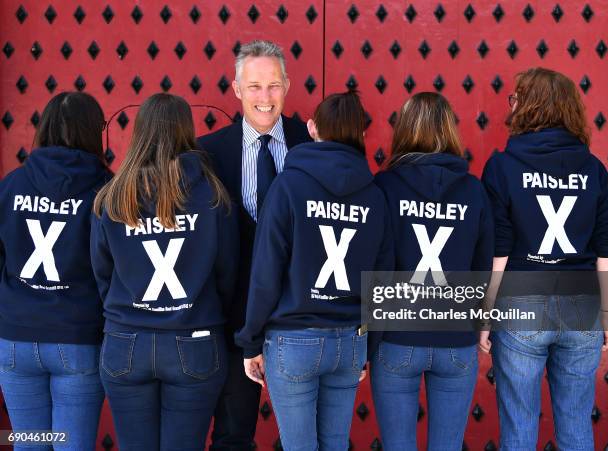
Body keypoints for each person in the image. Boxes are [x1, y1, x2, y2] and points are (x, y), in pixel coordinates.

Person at [235, 91, 394, 451]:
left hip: (293, 340)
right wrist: (370, 342)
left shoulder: (288, 185)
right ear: (361, 134)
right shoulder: (374, 194)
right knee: (335, 443)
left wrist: (250, 341)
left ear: (311, 128)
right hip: (350, 339)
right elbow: (383, 277)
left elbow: (266, 271)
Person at [91, 93, 238, 451]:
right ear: (186, 130)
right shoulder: (213, 195)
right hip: (195, 339)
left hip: (126, 341)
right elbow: (227, 274)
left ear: (139, 133)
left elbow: (102, 274)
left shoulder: (112, 197)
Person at [480, 67, 608, 450]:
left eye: (516, 98)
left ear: (531, 106)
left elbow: (499, 251)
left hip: (521, 303)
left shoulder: (503, 166)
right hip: (582, 305)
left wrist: (485, 317)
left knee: (519, 428)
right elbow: (606, 250)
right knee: (575, 427)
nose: (512, 105)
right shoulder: (593, 170)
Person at [196, 39, 310, 451]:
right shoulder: (208, 151)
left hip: (300, 315)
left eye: (274, 86)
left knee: (302, 438)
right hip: (232, 318)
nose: (265, 98)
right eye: (256, 86)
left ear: (288, 86)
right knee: (231, 433)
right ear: (237, 89)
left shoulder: (310, 144)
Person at [370, 92, 494, 450]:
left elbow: (375, 261)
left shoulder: (385, 186)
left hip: (396, 339)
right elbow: (483, 265)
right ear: (450, 130)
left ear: (405, 130)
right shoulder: (473, 190)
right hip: (456, 340)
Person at [0, 92, 111, 450]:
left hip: (14, 339)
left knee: (30, 444)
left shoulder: (12, 185)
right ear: (95, 132)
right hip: (76, 339)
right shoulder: (105, 192)